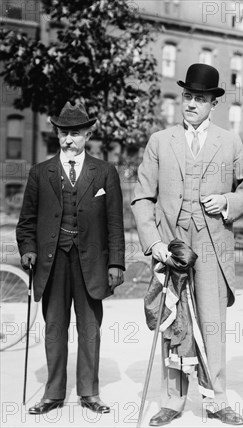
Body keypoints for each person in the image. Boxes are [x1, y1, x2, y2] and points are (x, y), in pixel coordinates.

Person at [131, 63, 243, 426]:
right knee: (174, 321)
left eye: (199, 98)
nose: (191, 103)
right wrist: (154, 243)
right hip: (172, 248)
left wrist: (227, 202)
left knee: (211, 324)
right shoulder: (160, 141)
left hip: (213, 246)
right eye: (187, 96)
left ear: (213, 103)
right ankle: (172, 400)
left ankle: (217, 401)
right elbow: (142, 198)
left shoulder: (230, 141)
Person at [16, 102, 125, 415]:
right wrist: (28, 250)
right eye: (63, 132)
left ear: (88, 133)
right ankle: (53, 394)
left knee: (90, 328)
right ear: (57, 133)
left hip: (91, 262)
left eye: (75, 133)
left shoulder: (105, 172)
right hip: (52, 263)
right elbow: (26, 223)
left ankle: (89, 392)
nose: (68, 139)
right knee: (55, 328)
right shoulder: (40, 173)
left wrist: (116, 262)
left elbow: (115, 222)